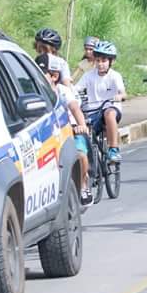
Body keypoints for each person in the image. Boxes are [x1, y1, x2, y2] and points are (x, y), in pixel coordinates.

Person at [41, 54, 93, 205]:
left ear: (54, 76)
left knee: (81, 155)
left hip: (71, 128)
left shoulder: (62, 91)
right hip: (50, 133)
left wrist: (81, 125)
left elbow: (74, 108)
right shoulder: (37, 93)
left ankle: (83, 185)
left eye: (42, 73)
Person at [75, 40, 126, 163]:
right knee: (81, 128)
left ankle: (113, 149)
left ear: (111, 61)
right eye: (98, 60)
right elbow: (76, 89)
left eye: (104, 61)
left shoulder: (115, 76)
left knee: (109, 113)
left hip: (110, 107)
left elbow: (123, 93)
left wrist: (119, 97)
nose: (100, 64)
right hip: (92, 111)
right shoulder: (88, 75)